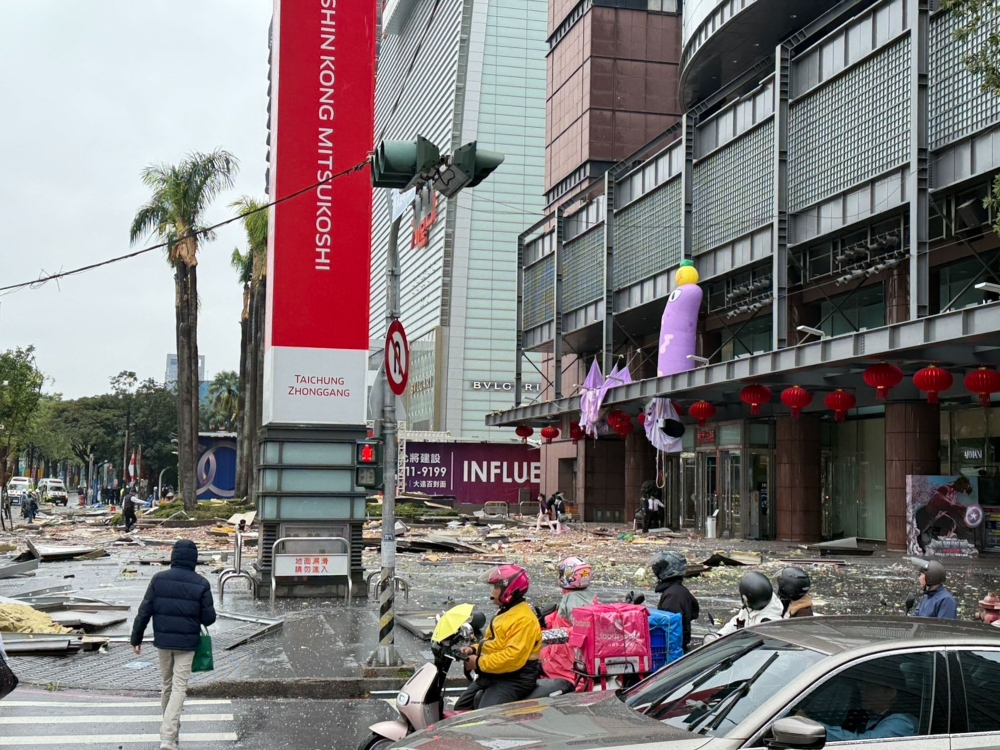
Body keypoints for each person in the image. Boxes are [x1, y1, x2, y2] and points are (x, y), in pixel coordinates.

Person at [131, 540, 216, 750]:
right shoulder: (201, 583)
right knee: (179, 687)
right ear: (194, 559)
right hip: (187, 644)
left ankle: (171, 734)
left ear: (173, 556)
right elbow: (209, 618)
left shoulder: (158, 579)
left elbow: (144, 611)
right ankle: (168, 736)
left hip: (163, 642)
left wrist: (136, 638)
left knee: (167, 685)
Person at [455, 564, 542, 710]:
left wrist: (478, 663)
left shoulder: (524, 619)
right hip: (495, 673)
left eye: (496, 587)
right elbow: (494, 642)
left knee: (485, 715)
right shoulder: (504, 612)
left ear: (510, 590)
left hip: (515, 678)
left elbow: (512, 657)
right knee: (460, 708)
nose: (492, 591)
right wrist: (473, 650)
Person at [806, 663, 919, 741]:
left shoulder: (901, 722)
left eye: (869, 687)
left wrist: (812, 728)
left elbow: (862, 743)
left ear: (890, 692)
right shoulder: (865, 714)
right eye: (862, 686)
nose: (862, 691)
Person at [649, 551, 700, 649]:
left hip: (673, 649)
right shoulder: (676, 590)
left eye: (660, 568)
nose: (655, 571)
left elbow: (669, 626)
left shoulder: (673, 595)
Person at [716, 571, 784, 637]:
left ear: (745, 598)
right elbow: (737, 622)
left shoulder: (767, 624)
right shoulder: (753, 606)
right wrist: (719, 635)